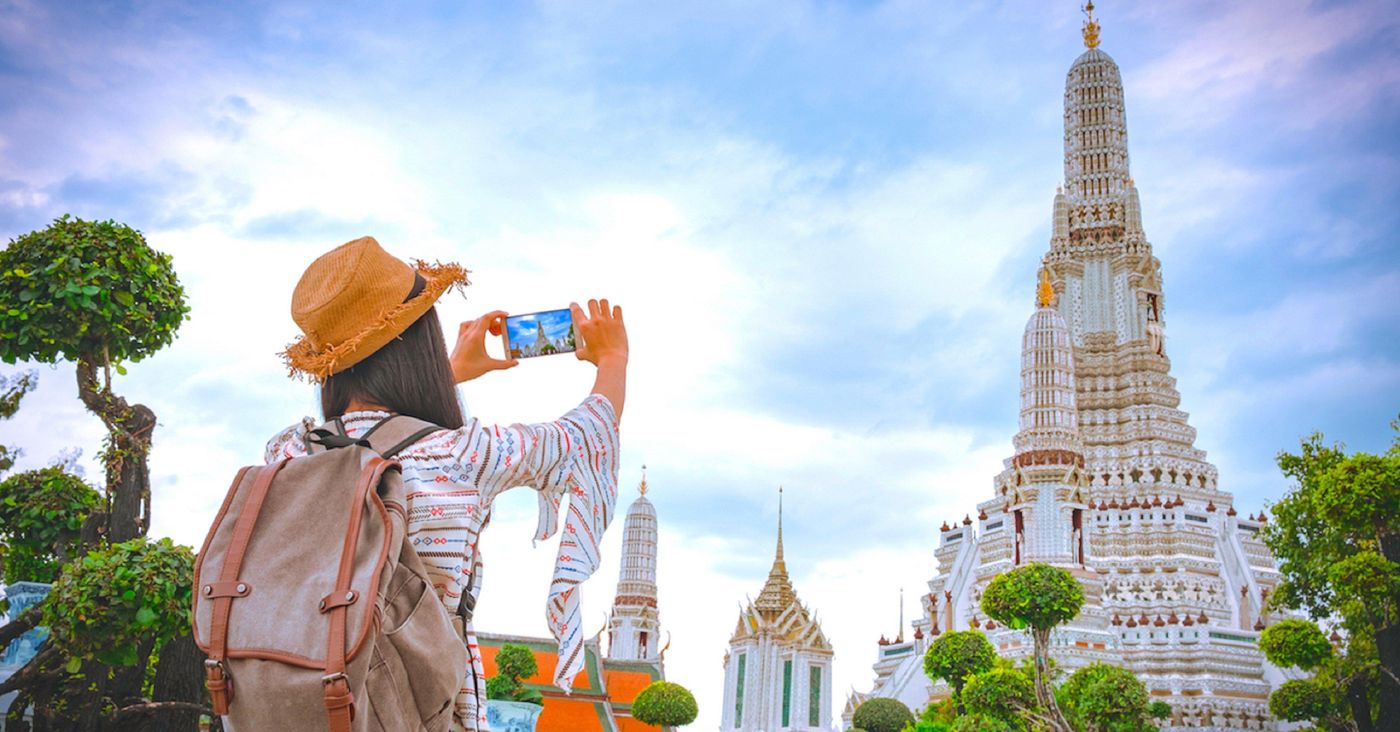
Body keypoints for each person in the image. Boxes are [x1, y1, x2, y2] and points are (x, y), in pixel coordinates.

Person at [264, 236, 627, 731]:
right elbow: (584, 435)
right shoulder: (464, 454)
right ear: (422, 348)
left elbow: (373, 430)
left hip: (299, 708)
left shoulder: (288, 452)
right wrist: (613, 359)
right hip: (420, 714)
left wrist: (450, 372)